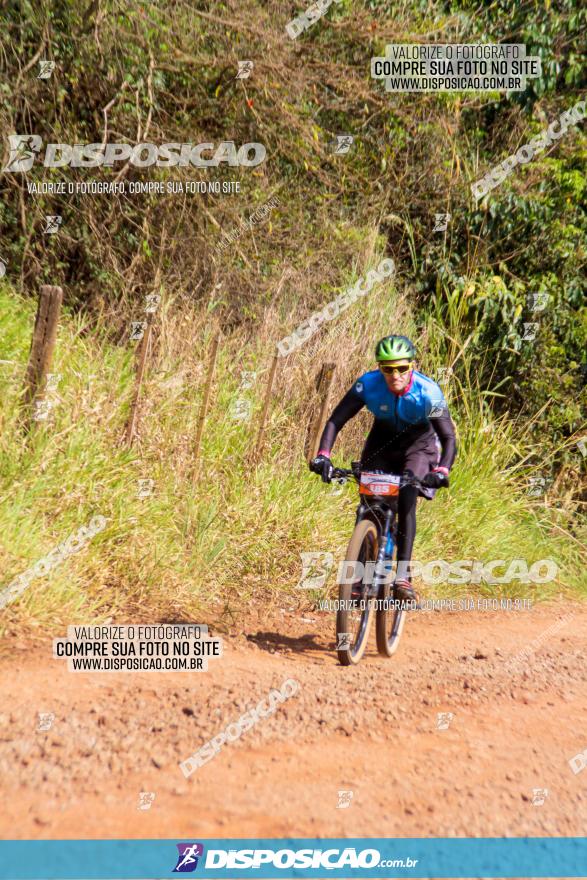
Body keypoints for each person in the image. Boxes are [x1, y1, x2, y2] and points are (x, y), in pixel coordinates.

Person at [309, 334, 457, 603]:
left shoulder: (429, 392)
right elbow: (335, 421)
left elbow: (448, 437)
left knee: (407, 498)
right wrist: (323, 456)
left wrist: (443, 471)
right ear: (380, 368)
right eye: (387, 369)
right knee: (370, 503)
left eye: (401, 368)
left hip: (419, 445)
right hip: (382, 443)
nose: (394, 375)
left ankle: (402, 575)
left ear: (412, 366)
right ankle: (359, 576)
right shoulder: (367, 385)